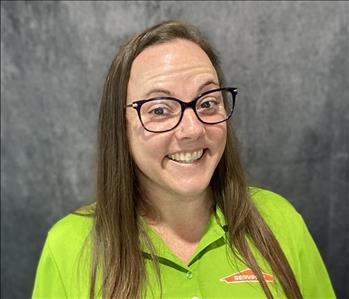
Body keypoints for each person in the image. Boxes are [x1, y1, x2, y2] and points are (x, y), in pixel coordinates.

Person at [32, 20, 336, 299]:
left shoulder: (279, 221)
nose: (192, 129)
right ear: (120, 127)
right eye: (160, 109)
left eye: (207, 102)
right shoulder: (69, 247)